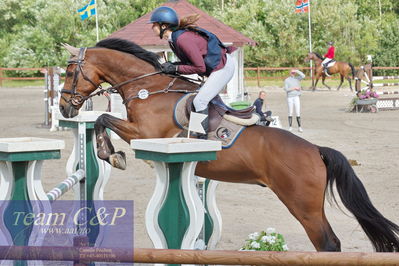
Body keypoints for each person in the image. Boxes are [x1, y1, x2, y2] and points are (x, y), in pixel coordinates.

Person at [149, 6, 237, 139]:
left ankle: (202, 139)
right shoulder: (174, 40)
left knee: (200, 101)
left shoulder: (182, 39)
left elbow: (199, 68)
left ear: (164, 26)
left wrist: (176, 68)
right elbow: (190, 64)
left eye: (154, 25)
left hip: (223, 67)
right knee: (196, 97)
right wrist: (172, 66)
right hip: (217, 66)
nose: (152, 28)